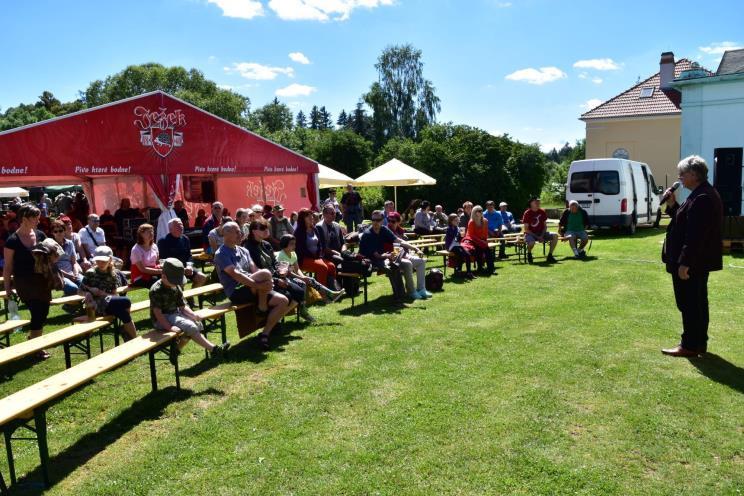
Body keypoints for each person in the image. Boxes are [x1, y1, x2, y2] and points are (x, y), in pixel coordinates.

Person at [661, 155, 723, 357]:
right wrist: (672, 205)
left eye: (682, 173)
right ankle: (698, 343)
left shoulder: (703, 196)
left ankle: (689, 345)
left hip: (693, 263)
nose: (679, 177)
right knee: (694, 303)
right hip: (696, 261)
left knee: (690, 304)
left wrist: (684, 262)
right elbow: (685, 222)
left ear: (694, 174)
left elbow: (695, 235)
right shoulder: (699, 194)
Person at [214, 222, 292, 350]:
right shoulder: (221, 253)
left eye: (240, 231)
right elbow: (235, 275)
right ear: (226, 234)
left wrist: (266, 282)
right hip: (237, 291)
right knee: (266, 273)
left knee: (283, 301)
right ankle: (262, 307)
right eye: (237, 231)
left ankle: (264, 334)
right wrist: (260, 285)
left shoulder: (243, 250)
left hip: (253, 287)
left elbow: (255, 270)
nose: (241, 234)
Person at [150, 258, 230, 362]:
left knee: (197, 324)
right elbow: (158, 314)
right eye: (174, 281)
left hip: (175, 314)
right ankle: (214, 349)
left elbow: (183, 306)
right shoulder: (156, 290)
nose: (177, 284)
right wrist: (169, 328)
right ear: (164, 277)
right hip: (162, 319)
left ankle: (176, 350)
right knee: (190, 327)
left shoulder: (175, 287)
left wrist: (193, 315)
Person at [2, 205, 53, 358]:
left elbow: (50, 256)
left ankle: (32, 339)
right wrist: (7, 287)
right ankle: (36, 348)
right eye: (35, 218)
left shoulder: (41, 235)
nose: (38, 220)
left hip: (42, 280)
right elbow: (8, 266)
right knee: (37, 311)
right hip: (24, 282)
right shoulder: (12, 240)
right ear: (24, 219)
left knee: (43, 312)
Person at [243, 218, 309, 321]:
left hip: (277, 277)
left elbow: (274, 263)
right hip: (264, 282)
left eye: (267, 227)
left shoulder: (266, 244)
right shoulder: (249, 248)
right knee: (287, 295)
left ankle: (275, 319)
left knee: (299, 292)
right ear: (254, 231)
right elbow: (257, 270)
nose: (266, 230)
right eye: (263, 228)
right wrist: (277, 280)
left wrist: (282, 270)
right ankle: (272, 322)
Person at [359, 210, 430, 300]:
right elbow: (376, 256)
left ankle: (409, 293)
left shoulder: (384, 229)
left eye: (378, 220)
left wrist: (415, 248)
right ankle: (401, 296)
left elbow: (399, 241)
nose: (375, 222)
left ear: (382, 220)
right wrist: (388, 256)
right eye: (373, 220)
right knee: (393, 267)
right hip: (370, 260)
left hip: (382, 257)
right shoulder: (368, 234)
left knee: (406, 264)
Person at [80, 246, 137, 340]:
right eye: (98, 261)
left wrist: (102, 293)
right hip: (95, 306)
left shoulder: (113, 274)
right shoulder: (90, 273)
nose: (100, 263)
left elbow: (114, 295)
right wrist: (87, 293)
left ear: (110, 260)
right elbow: (79, 291)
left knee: (124, 312)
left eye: (103, 261)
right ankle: (129, 335)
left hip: (108, 303)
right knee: (126, 301)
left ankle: (133, 340)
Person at [277, 234, 345, 303]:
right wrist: (301, 278)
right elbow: (288, 273)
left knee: (310, 279)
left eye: (294, 243)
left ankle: (330, 294)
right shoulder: (281, 256)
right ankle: (303, 304)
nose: (294, 246)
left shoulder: (293, 253)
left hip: (292, 276)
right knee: (301, 282)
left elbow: (297, 269)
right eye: (291, 244)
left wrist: (303, 276)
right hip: (285, 278)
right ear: (284, 244)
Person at [385, 211, 431, 299]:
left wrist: (411, 251)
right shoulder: (386, 231)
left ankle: (421, 289)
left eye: (393, 221)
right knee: (408, 263)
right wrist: (415, 249)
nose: (390, 223)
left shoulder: (400, 230)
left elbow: (402, 245)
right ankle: (411, 291)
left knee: (421, 261)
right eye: (389, 220)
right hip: (392, 258)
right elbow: (396, 247)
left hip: (403, 255)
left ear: (398, 222)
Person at [295, 209, 338, 290]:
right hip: (303, 259)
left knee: (331, 266)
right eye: (308, 216)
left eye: (311, 215)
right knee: (322, 267)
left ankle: (332, 288)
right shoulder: (299, 232)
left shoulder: (314, 229)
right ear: (302, 218)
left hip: (316, 257)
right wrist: (314, 257)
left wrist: (318, 255)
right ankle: (323, 293)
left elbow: (320, 245)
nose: (311, 217)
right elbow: (300, 249)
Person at [157, 218, 207, 287]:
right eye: (178, 225)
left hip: (187, 268)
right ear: (170, 229)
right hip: (173, 271)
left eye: (181, 224)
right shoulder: (163, 241)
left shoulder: (185, 239)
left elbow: (189, 256)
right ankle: (182, 296)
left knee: (202, 277)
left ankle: (190, 296)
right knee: (181, 283)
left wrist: (189, 266)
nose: (181, 227)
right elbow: (165, 261)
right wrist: (182, 269)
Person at [51, 219, 84, 296]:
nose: (58, 233)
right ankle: (70, 304)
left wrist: (75, 273)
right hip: (59, 275)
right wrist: (69, 276)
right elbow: (54, 267)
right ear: (52, 233)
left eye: (60, 230)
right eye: (55, 231)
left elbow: (74, 262)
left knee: (87, 283)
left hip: (72, 272)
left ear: (64, 231)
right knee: (73, 288)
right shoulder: (51, 246)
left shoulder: (70, 243)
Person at [522, 198, 558, 264]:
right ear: (531, 203)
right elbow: (526, 229)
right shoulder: (527, 213)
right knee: (531, 242)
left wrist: (541, 235)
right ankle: (529, 254)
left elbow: (545, 226)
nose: (538, 202)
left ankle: (550, 256)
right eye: (535, 201)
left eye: (538, 201)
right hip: (530, 234)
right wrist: (538, 237)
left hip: (541, 233)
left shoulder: (542, 211)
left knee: (555, 235)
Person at [463, 205, 494, 274]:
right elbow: (471, 235)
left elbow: (485, 233)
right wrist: (481, 241)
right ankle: (480, 268)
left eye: (481, 210)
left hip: (481, 240)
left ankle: (491, 269)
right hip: (471, 240)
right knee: (478, 249)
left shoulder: (485, 221)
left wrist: (485, 241)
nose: (481, 212)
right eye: (479, 211)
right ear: (475, 212)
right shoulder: (471, 222)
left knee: (488, 251)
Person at [130, 223, 162, 288]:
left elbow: (157, 263)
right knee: (158, 282)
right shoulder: (136, 249)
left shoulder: (154, 246)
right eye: (148, 232)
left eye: (152, 231)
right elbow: (143, 269)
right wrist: (160, 271)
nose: (151, 234)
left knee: (170, 278)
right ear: (141, 234)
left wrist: (162, 267)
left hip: (153, 274)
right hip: (139, 277)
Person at [316, 204, 346, 269]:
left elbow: (343, 243)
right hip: (326, 255)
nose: (334, 215)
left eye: (335, 213)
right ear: (324, 215)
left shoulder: (337, 225)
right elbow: (323, 248)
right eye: (332, 213)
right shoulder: (319, 227)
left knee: (350, 259)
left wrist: (343, 251)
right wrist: (338, 253)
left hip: (338, 252)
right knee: (341, 260)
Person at [445, 213, 474, 278]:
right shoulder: (449, 228)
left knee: (468, 254)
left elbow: (459, 239)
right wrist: (459, 232)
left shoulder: (457, 228)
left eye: (457, 220)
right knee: (461, 254)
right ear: (451, 221)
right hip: (451, 246)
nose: (457, 221)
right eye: (455, 220)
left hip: (457, 245)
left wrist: (462, 235)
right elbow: (453, 235)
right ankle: (459, 271)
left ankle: (469, 272)